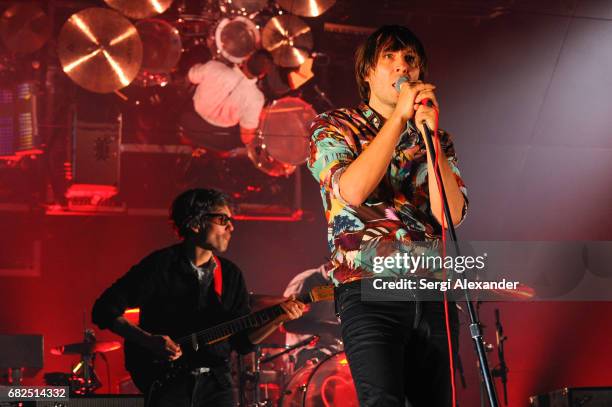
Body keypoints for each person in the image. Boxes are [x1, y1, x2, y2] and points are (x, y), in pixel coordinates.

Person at [307, 25, 469, 406]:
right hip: (369, 290)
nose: (402, 68)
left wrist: (430, 137)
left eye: (410, 60)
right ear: (368, 72)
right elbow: (352, 191)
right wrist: (397, 119)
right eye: (390, 59)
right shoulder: (333, 126)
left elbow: (451, 215)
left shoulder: (435, 137)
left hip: (433, 292)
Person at [92, 188, 304, 407]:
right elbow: (103, 309)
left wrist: (279, 318)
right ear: (195, 224)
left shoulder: (230, 274)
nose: (231, 227)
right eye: (223, 219)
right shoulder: (160, 266)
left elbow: (242, 343)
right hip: (167, 383)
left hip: (216, 385)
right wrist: (148, 341)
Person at [180, 50, 273, 151]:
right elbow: (246, 138)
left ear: (246, 58)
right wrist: (259, 118)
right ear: (262, 75)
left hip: (189, 121)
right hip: (220, 139)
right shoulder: (257, 99)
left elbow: (190, 76)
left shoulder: (214, 67)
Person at [282, 264, 342, 370]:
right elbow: (286, 324)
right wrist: (329, 328)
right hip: (304, 355)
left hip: (333, 354)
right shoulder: (306, 281)